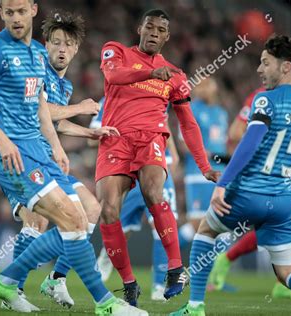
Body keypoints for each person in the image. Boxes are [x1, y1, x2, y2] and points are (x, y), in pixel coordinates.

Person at [0, 1, 147, 315]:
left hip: (39, 150)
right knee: (66, 220)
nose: (15, 18)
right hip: (14, 155)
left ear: (33, 10)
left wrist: (61, 146)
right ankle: (103, 303)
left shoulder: (35, 53)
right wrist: (2, 139)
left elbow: (41, 111)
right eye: (9, 12)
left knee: (84, 213)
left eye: (21, 10)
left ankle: (11, 280)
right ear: (1, 13)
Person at [170, 35, 291, 316]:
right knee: (288, 272)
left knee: (206, 230)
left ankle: (195, 307)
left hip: (248, 193)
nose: (259, 69)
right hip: (285, 202)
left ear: (286, 66)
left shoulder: (265, 100)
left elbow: (249, 143)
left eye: (265, 63)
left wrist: (223, 184)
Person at [95, 9, 220, 306]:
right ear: (139, 28)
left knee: (153, 191)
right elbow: (114, 75)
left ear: (166, 36)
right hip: (114, 140)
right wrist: (150, 72)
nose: (153, 32)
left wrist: (204, 166)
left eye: (159, 29)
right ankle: (128, 284)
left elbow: (188, 123)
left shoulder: (175, 76)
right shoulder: (116, 51)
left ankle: (176, 268)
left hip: (150, 139)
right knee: (109, 210)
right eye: (149, 26)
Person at [5, 10, 117, 309]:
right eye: (55, 42)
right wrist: (80, 107)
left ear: (77, 48)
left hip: (46, 159)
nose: (61, 49)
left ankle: (56, 277)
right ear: (46, 45)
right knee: (37, 219)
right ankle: (11, 290)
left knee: (92, 210)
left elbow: (57, 123)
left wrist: (91, 134)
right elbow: (41, 112)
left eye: (67, 43)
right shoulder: (36, 72)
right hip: (22, 155)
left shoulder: (64, 85)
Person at [208, 85, 291, 300]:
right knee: (279, 221)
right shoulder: (260, 96)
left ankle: (282, 283)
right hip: (268, 171)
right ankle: (226, 258)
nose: (261, 68)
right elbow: (236, 132)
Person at [91, 99, 180, 302]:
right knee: (123, 228)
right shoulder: (111, 98)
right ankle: (109, 255)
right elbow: (91, 136)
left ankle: (159, 284)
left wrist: (172, 154)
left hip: (154, 161)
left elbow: (163, 123)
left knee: (163, 223)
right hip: (125, 165)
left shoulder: (155, 92)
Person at [177, 78, 228, 249]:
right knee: (197, 223)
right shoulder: (190, 109)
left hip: (221, 174)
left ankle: (215, 273)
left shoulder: (221, 112)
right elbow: (183, 144)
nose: (203, 88)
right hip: (198, 174)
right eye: (200, 85)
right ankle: (167, 256)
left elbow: (225, 143)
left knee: (221, 222)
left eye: (208, 83)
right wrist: (202, 154)